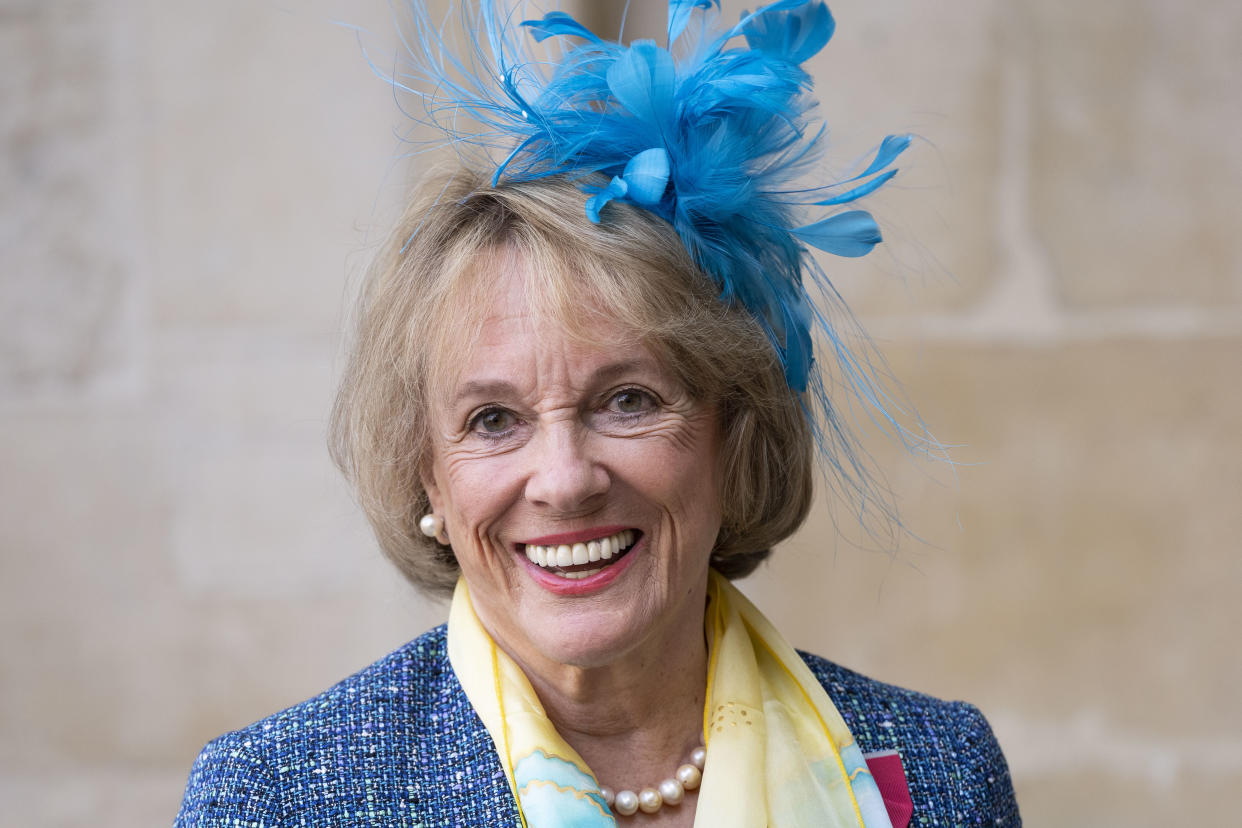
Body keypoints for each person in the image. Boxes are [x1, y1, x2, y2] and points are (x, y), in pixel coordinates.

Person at [176, 2, 1021, 826]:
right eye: (494, 421)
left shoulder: (940, 772)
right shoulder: (279, 799)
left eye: (628, 401)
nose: (567, 481)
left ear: (733, 435)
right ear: (425, 471)